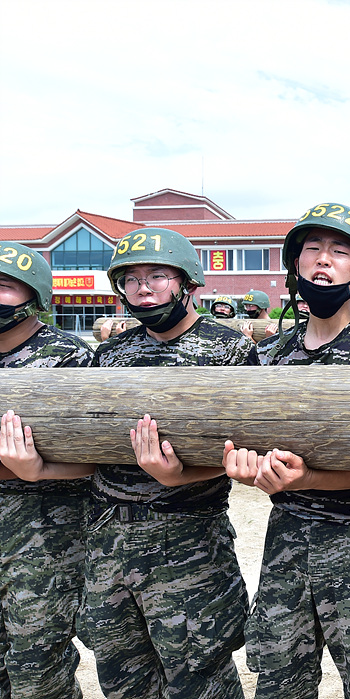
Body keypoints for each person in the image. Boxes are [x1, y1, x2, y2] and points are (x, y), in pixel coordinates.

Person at [222, 203, 350, 699]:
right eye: (312, 250)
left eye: (339, 252)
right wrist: (248, 467)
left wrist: (309, 479)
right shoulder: (269, 355)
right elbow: (250, 437)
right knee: (281, 680)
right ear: (295, 267)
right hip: (286, 536)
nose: (323, 261)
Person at [85, 227, 256, 698]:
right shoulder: (109, 356)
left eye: (158, 275)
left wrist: (180, 475)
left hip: (186, 539)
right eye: (132, 278)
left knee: (198, 677)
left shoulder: (231, 351)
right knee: (122, 678)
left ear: (187, 282)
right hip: (109, 538)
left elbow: (246, 447)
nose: (144, 288)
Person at [0, 242, 95, 699]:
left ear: (32, 295)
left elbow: (103, 456)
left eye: (3, 287)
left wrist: (36, 469)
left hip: (43, 534)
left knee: (38, 668)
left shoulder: (69, 358)